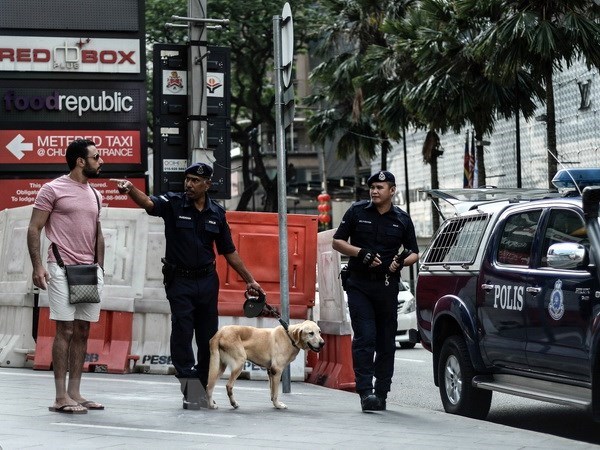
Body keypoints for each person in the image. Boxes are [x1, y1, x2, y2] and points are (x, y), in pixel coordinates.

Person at [111, 162, 263, 409]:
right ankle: (190, 388)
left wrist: (251, 280)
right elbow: (149, 203)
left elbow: (229, 251)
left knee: (208, 338)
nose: (189, 184)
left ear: (207, 184)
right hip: (179, 280)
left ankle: (202, 388)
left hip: (206, 281)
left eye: (195, 180)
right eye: (188, 179)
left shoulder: (217, 213)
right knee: (182, 331)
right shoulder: (173, 203)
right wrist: (130, 189)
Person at [27, 138, 106, 414]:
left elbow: (98, 233)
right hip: (60, 268)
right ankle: (60, 396)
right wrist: (38, 267)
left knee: (83, 330)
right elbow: (34, 228)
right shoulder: (52, 189)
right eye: (96, 157)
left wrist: (101, 268)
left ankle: (75, 392)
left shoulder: (95, 194)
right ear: (80, 161)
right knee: (66, 329)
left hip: (89, 271)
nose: (101, 161)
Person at [332, 170, 419, 411]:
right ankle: (365, 392)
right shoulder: (357, 211)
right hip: (359, 284)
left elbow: (413, 251)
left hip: (387, 287)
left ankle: (381, 392)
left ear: (392, 191)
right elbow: (337, 241)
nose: (374, 191)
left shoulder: (402, 218)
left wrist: (401, 261)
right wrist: (361, 253)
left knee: (385, 341)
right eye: (372, 187)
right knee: (365, 337)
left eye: (380, 187)